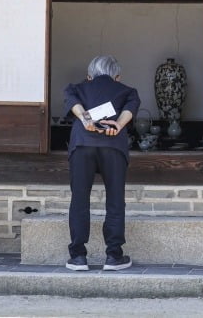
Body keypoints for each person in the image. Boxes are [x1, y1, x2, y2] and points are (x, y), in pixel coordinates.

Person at [63, 55, 141, 272]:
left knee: (79, 199)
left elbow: (72, 102)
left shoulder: (77, 87)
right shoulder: (127, 90)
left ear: (89, 76)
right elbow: (129, 111)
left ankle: (78, 257)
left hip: (82, 146)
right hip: (113, 147)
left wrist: (86, 120)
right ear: (117, 76)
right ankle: (113, 256)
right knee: (115, 200)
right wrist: (116, 124)